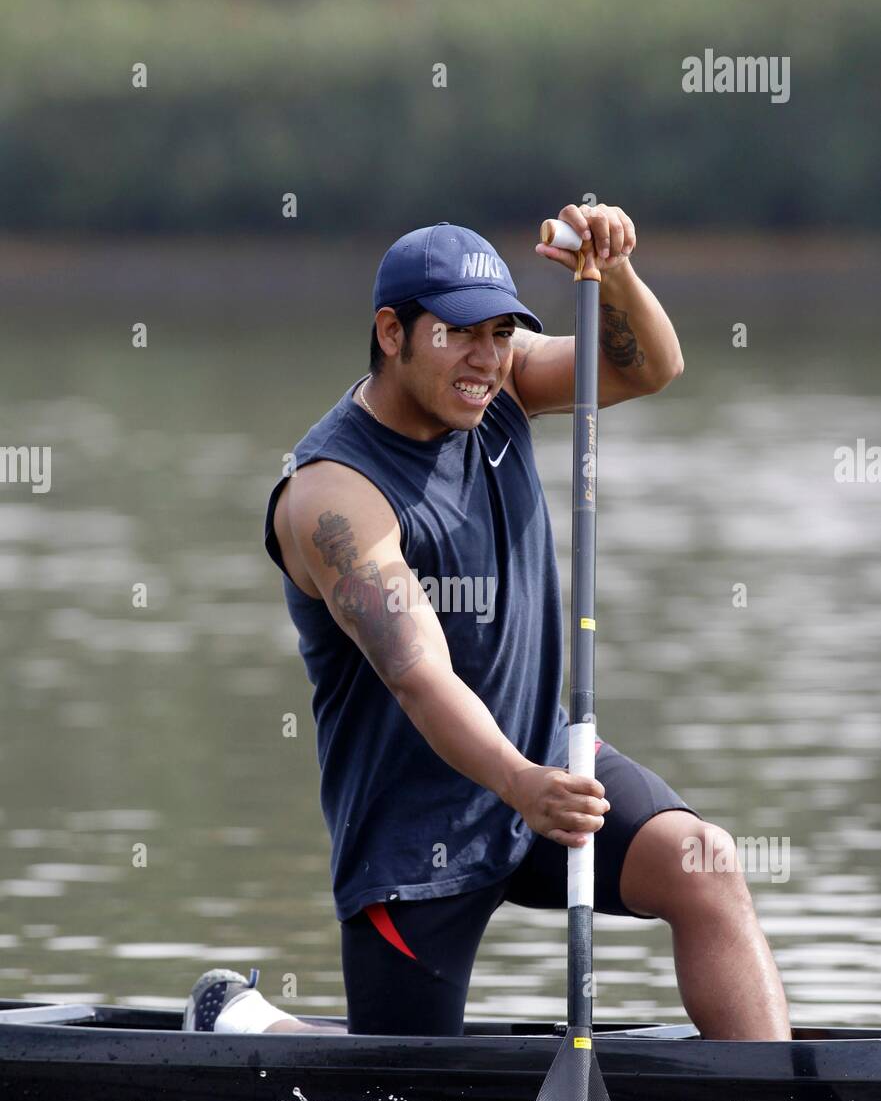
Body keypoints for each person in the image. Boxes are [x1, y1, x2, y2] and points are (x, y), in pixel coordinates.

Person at [184, 205, 791, 1042]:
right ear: (392, 332)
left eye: (503, 331)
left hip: (550, 756)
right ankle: (249, 1024)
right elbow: (418, 673)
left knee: (707, 864)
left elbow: (649, 366)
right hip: (415, 823)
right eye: (461, 332)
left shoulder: (497, 387)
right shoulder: (334, 498)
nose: (486, 356)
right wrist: (518, 785)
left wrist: (611, 269)